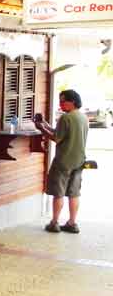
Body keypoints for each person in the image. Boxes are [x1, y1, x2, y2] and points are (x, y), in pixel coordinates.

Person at [35, 89, 89, 234]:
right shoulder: (83, 117)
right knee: (74, 193)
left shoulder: (65, 118)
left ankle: (54, 222)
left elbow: (57, 138)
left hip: (63, 161)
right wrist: (46, 124)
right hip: (79, 161)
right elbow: (61, 133)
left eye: (63, 101)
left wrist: (41, 128)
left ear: (73, 101)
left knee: (58, 193)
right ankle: (72, 223)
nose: (61, 104)